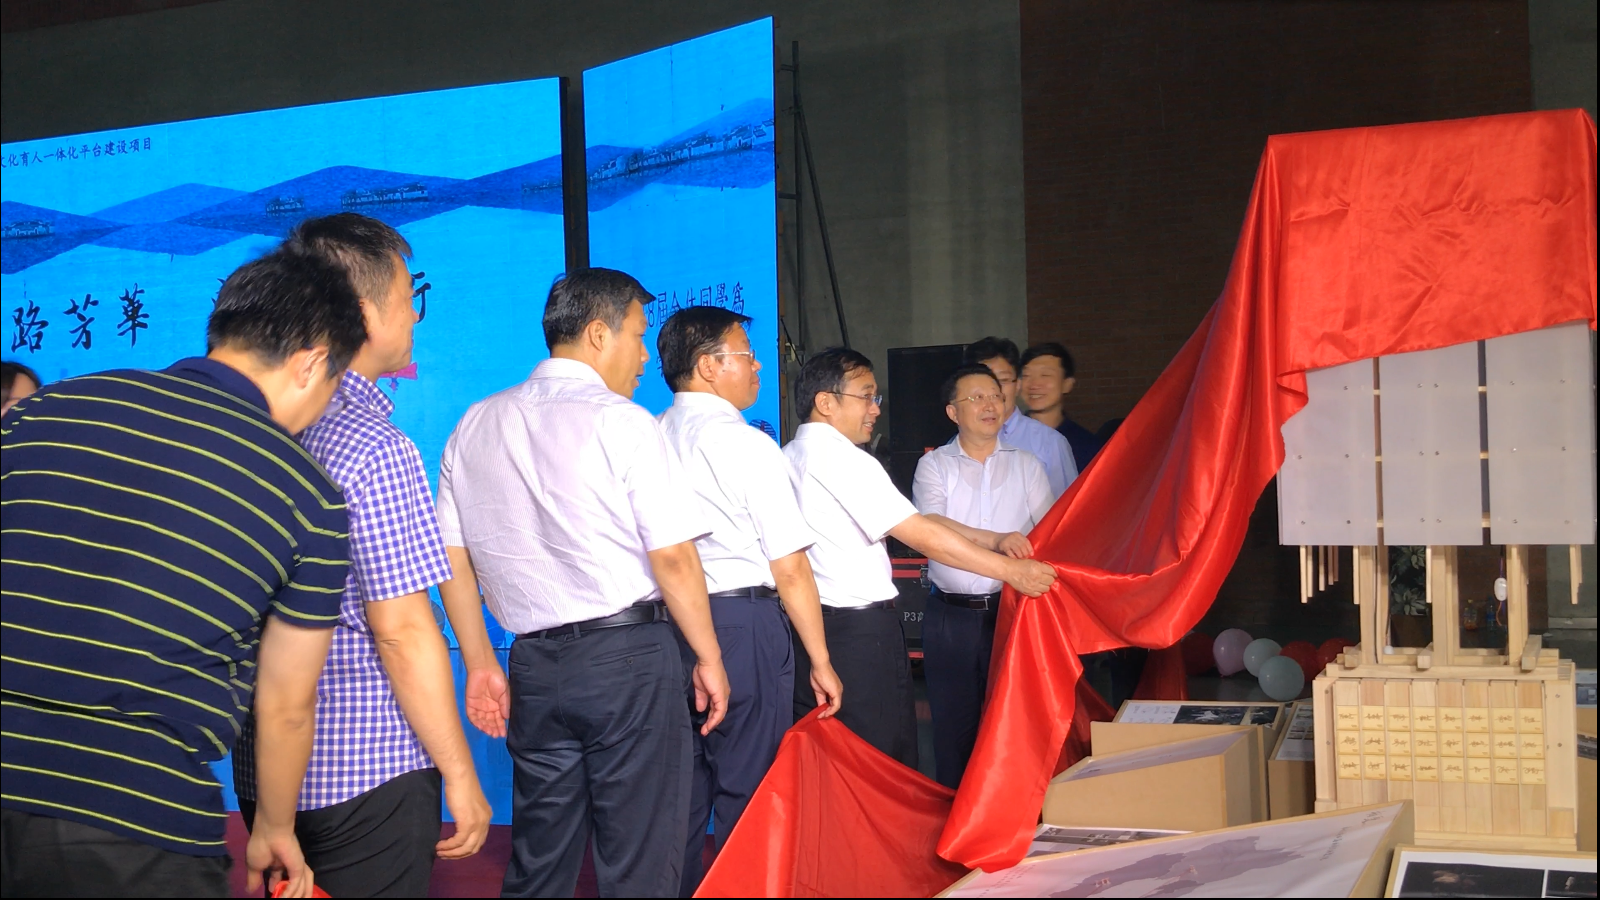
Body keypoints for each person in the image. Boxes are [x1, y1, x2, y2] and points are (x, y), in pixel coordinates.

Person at [1, 248, 366, 898]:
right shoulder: (307, 497)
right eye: (333, 386)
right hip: (136, 820)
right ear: (312, 363)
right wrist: (273, 826)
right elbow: (285, 704)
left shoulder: (45, 411)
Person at [434, 268, 730, 898]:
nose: (645, 356)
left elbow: (452, 559)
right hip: (630, 660)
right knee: (640, 861)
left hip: (533, 666)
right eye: (638, 336)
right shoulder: (623, 421)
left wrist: (481, 662)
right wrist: (707, 655)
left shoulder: (474, 423)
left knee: (539, 862)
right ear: (598, 333)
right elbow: (674, 559)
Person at [231, 214, 491, 898]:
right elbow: (401, 630)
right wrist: (460, 772)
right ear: (363, 314)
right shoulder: (375, 448)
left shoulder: (251, 430)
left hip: (268, 770)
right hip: (369, 769)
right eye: (408, 295)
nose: (415, 313)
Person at [785, 348, 1057, 766]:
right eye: (867, 396)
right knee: (882, 759)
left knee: (831, 759)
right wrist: (1010, 569)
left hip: (809, 629)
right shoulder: (845, 460)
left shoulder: (788, 456)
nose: (876, 410)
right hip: (860, 635)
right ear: (826, 402)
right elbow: (924, 534)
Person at [655, 307, 844, 896]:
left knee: (680, 797)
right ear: (709, 366)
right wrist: (819, 658)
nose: (759, 365)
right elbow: (790, 567)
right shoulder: (746, 444)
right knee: (749, 785)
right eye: (747, 353)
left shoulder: (649, 435)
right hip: (741, 622)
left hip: (664, 626)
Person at [913, 364, 1057, 788]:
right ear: (953, 412)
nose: (989, 405)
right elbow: (930, 525)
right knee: (953, 731)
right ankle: (956, 814)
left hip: (1012, 614)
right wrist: (996, 541)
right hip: (951, 617)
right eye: (976, 398)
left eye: (995, 396)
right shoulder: (934, 465)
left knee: (1013, 725)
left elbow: (1049, 533)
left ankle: (1013, 814)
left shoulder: (1027, 465)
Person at [964, 336, 1078, 495]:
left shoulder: (1049, 443)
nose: (994, 391)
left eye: (1003, 380)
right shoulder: (956, 444)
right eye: (984, 382)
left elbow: (1069, 506)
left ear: (1018, 384)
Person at [1020, 341, 1103, 468]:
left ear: (1067, 384)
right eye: (1026, 375)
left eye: (1045, 375)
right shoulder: (1003, 438)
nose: (1034, 384)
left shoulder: (1087, 446)